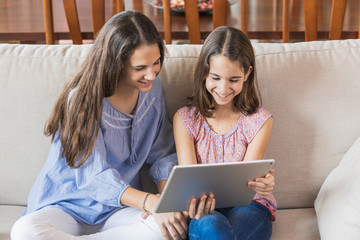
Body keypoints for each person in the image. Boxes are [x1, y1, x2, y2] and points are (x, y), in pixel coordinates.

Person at [11, 11, 188, 240]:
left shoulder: (153, 90)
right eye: (140, 68)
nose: (151, 74)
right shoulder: (81, 100)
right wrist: (150, 201)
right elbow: (94, 178)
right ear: (117, 63)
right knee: (25, 232)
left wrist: (166, 205)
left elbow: (162, 153)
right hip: (66, 207)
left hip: (117, 210)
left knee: (167, 228)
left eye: (156, 63)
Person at [173, 26, 277, 240]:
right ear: (204, 73)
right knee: (212, 224)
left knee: (245, 216)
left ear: (247, 73)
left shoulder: (260, 120)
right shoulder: (185, 119)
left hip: (249, 206)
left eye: (233, 79)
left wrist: (262, 185)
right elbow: (190, 185)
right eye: (216, 78)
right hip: (204, 213)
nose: (223, 88)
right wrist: (195, 204)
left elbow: (246, 188)